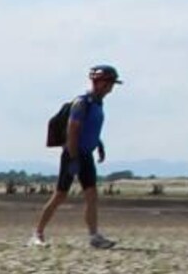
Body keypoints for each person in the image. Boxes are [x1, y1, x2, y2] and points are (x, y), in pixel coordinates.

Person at [32, 65, 121, 248]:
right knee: (60, 195)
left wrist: (99, 144)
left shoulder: (97, 104)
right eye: (109, 83)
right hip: (73, 154)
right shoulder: (82, 103)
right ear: (99, 82)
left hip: (86, 154)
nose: (111, 87)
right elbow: (72, 131)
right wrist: (73, 158)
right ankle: (37, 234)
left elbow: (90, 128)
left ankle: (94, 236)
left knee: (91, 195)